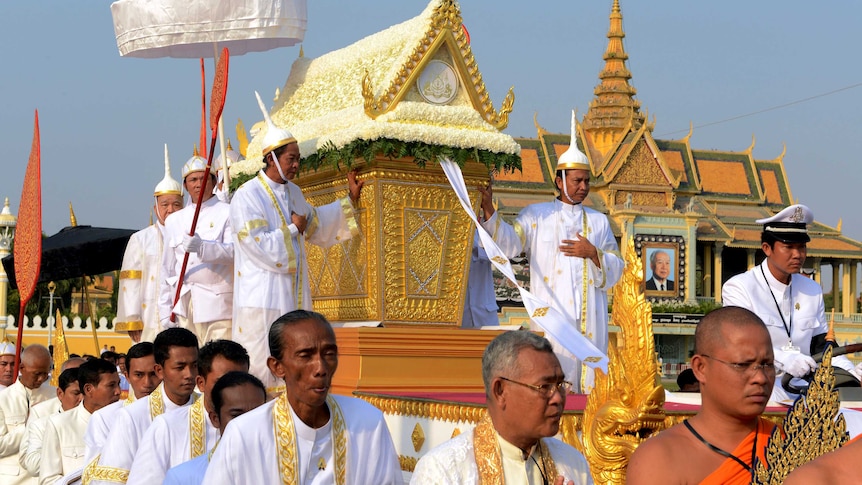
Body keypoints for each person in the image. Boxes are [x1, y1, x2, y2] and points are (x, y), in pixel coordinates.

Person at [478, 112, 623, 391]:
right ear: (559, 181)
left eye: (586, 182)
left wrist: (594, 253)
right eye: (577, 181)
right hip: (552, 318)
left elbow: (618, 267)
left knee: (589, 389)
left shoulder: (598, 221)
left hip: (589, 322)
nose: (583, 187)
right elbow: (510, 244)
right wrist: (488, 209)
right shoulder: (536, 215)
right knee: (553, 383)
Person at [230, 93, 363, 390]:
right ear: (272, 158)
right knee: (261, 356)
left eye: (297, 159)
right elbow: (256, 243)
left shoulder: (294, 191)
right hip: (262, 293)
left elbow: (315, 224)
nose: (295, 166)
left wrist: (350, 200)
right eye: (291, 159)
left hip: (291, 293)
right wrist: (292, 229)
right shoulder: (247, 195)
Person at [203, 310, 402, 484]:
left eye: (329, 354)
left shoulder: (367, 422)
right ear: (277, 367)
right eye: (305, 356)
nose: (320, 368)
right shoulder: (245, 434)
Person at [411, 331, 592, 484]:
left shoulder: (573, 463)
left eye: (560, 384)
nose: (558, 398)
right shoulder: (443, 470)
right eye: (544, 387)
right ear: (500, 391)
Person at [722, 204, 856, 403]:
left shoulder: (812, 290)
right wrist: (785, 360)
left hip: (803, 387)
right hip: (756, 386)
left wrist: (853, 373)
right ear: (767, 248)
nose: (798, 254)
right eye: (789, 247)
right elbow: (742, 344)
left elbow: (822, 348)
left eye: (801, 246)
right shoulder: (740, 288)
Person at [626, 307, 776, 485]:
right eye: (742, 364)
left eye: (767, 364)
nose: (760, 378)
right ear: (700, 368)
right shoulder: (660, 459)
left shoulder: (789, 444)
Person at [127, 340, 250, 484]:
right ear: (201, 383)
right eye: (222, 382)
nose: (234, 392)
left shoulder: (261, 426)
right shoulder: (167, 427)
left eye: (242, 382)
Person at [86, 328, 199, 485]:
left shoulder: (209, 410)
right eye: (180, 367)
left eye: (194, 366)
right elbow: (111, 481)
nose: (189, 374)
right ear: (160, 370)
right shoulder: (131, 417)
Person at [160, 148, 234, 346]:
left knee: (218, 359)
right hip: (185, 304)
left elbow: (236, 253)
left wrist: (204, 248)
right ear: (185, 185)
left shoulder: (228, 212)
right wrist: (164, 309)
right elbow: (167, 269)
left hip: (218, 304)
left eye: (204, 178)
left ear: (213, 179)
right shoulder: (174, 221)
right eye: (193, 180)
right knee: (190, 361)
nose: (199, 184)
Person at [116, 146, 184, 343]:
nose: (170, 209)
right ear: (156, 208)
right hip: (148, 318)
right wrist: (132, 320)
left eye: (176, 204)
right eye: (165, 205)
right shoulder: (141, 239)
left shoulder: (190, 236)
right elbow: (130, 281)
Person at [163, 371, 267, 485]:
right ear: (215, 419)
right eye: (236, 416)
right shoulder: (182, 477)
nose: (247, 423)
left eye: (256, 414)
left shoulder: (281, 466)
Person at [40, 359, 120, 485]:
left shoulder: (126, 421)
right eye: (111, 385)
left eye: (118, 384)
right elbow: (48, 479)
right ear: (88, 389)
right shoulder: (59, 424)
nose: (118, 391)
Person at [83, 342, 160, 465]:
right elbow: (99, 474)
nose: (147, 383)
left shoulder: (185, 410)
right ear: (127, 376)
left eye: (153, 374)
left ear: (162, 373)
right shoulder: (105, 418)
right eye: (139, 375)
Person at [20, 358, 85, 477]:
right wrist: (66, 456)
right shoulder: (41, 412)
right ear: (60, 392)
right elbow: (29, 461)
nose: (81, 398)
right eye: (76, 393)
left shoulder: (99, 416)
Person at [0, 344, 54, 485]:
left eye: (46, 373)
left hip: (46, 477)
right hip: (13, 479)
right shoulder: (3, 399)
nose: (42, 379)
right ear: (22, 368)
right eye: (37, 374)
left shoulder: (55, 396)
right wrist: (30, 424)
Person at [462, 233, 500, 328]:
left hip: (485, 314)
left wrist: (475, 249)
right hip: (460, 316)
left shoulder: (483, 232)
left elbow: (501, 256)